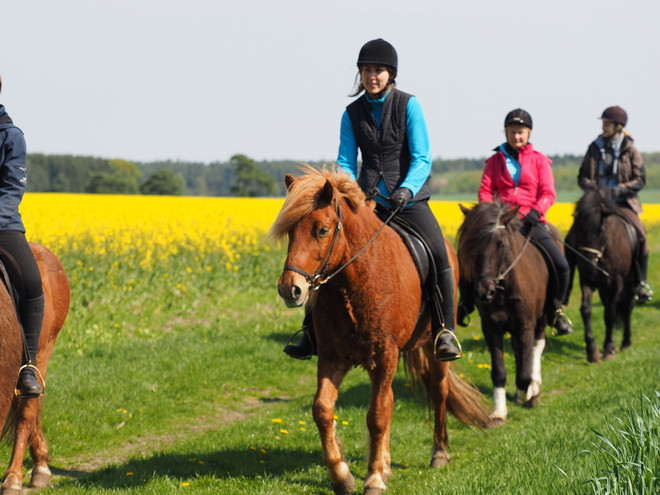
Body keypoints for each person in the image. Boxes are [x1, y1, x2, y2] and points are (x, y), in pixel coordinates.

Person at [283, 38, 462, 362]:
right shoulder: (351, 113)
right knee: (327, 256)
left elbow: (422, 158)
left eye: (378, 70)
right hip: (365, 201)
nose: (371, 76)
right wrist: (349, 190)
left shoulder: (409, 105)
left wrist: (406, 189)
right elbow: (346, 162)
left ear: (390, 74)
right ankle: (310, 331)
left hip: (409, 200)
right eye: (366, 70)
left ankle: (444, 331)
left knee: (439, 253)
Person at [459, 108, 573, 335]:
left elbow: (548, 193)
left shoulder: (540, 161)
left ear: (529, 133)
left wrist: (535, 211)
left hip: (531, 221)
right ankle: (466, 304)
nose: (516, 136)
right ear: (506, 133)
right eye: (512, 132)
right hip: (500, 223)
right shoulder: (494, 160)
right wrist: (491, 215)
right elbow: (485, 191)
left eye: (521, 132)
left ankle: (555, 310)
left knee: (561, 265)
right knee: (469, 257)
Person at [577, 106, 652, 303]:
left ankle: (640, 283)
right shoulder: (594, 147)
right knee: (572, 236)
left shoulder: (630, 149)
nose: (604, 126)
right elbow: (583, 176)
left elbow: (640, 180)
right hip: (597, 203)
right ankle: (564, 291)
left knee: (641, 237)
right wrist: (593, 190)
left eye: (607, 123)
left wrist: (617, 190)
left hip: (622, 202)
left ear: (618, 126)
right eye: (603, 123)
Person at [0, 75, 45, 398]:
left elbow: (11, 189)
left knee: (31, 284)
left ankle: (26, 367)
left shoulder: (11, 136)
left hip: (2, 226)